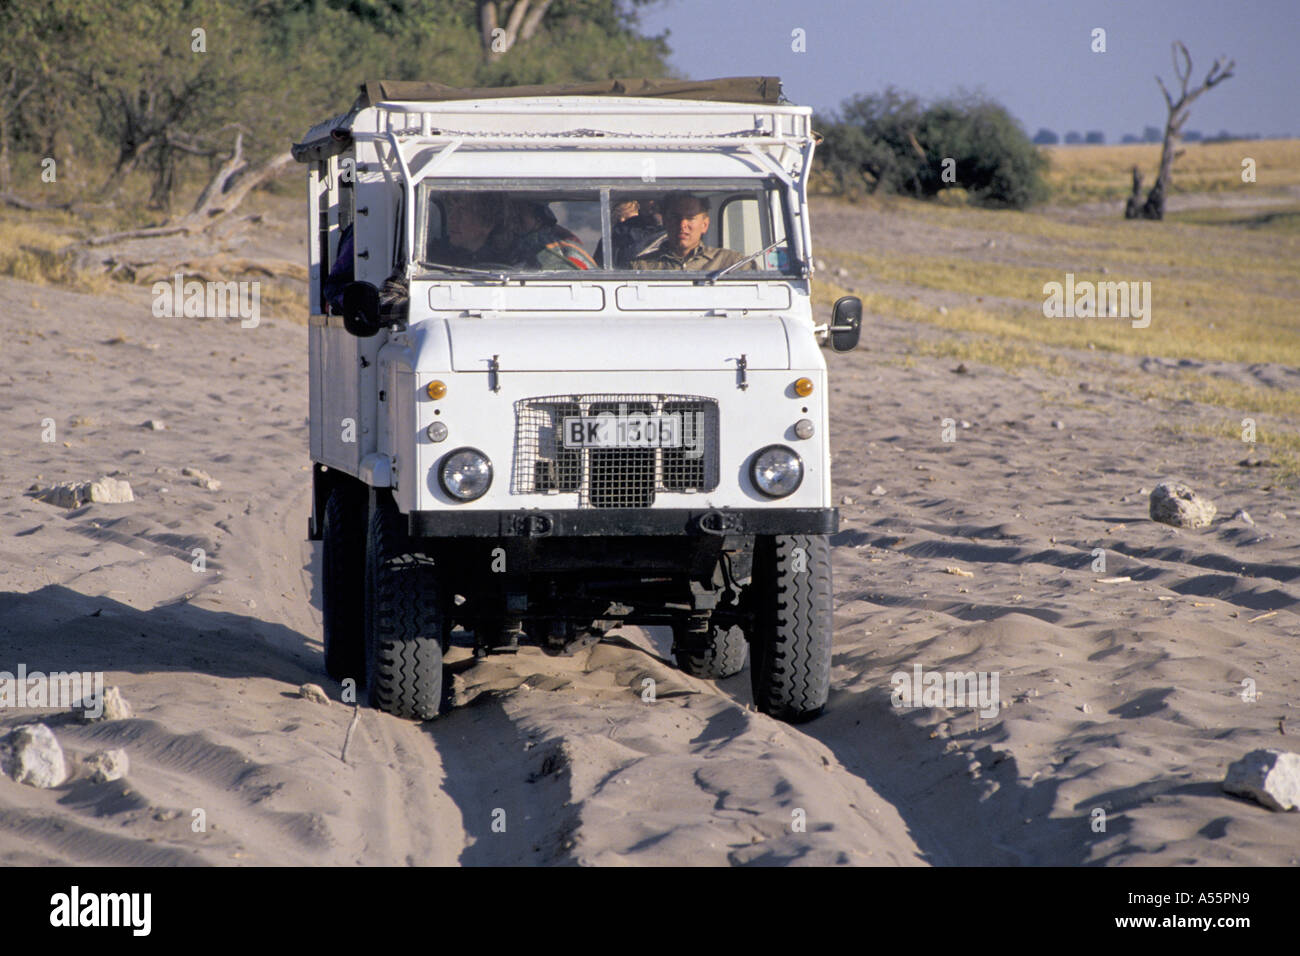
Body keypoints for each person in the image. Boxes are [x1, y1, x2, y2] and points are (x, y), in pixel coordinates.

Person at [630, 192, 749, 272]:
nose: (682, 225)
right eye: (675, 217)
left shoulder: (732, 263)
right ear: (665, 222)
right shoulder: (641, 267)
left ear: (704, 225)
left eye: (690, 218)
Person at [596, 197, 665, 268]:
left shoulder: (673, 232)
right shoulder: (618, 234)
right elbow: (601, 271)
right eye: (651, 196)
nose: (656, 204)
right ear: (640, 200)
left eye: (661, 197)